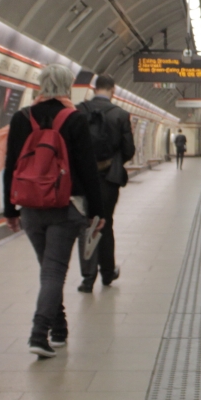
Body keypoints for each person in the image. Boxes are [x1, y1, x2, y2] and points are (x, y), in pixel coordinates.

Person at [2, 64, 110, 357]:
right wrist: (97, 213)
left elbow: (11, 164)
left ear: (40, 84)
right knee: (53, 273)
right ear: (67, 87)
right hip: (66, 206)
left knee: (48, 271)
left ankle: (59, 329)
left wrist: (9, 209)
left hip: (30, 208)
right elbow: (87, 169)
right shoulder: (74, 119)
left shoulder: (21, 117)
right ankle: (39, 334)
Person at [76, 75, 135, 292]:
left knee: (86, 225)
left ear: (94, 88)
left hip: (82, 179)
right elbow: (129, 149)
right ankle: (107, 273)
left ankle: (87, 278)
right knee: (105, 223)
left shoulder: (79, 111)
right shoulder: (120, 114)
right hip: (109, 178)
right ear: (113, 89)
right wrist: (115, 161)